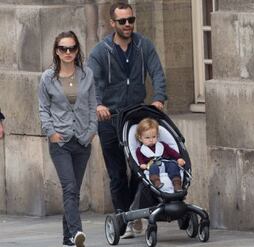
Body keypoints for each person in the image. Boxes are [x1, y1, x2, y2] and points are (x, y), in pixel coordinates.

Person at [87, 1, 167, 239]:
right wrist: (98, 104)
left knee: (140, 167)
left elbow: (157, 72)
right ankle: (122, 216)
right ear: (113, 23)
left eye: (131, 20)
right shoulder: (101, 51)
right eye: (122, 21)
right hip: (109, 117)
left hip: (136, 116)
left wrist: (159, 99)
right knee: (117, 173)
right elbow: (91, 82)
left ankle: (134, 212)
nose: (128, 25)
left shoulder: (143, 45)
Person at [38, 31, 97, 247]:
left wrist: (91, 132)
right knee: (69, 188)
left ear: (77, 50)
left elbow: (92, 105)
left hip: (83, 140)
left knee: (74, 191)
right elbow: (43, 109)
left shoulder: (87, 74)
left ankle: (68, 239)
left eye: (72, 48)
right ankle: (77, 232)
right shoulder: (47, 78)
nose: (68, 52)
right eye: (63, 48)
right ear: (57, 51)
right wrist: (51, 133)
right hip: (60, 142)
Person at [135, 118, 185, 191]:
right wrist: (142, 164)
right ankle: (156, 182)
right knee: (153, 167)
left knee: (173, 165)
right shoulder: (140, 150)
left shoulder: (162, 145)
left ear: (157, 136)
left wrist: (178, 158)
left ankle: (177, 183)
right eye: (147, 138)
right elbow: (140, 160)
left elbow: (172, 152)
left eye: (154, 137)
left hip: (165, 163)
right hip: (152, 166)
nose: (151, 140)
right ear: (140, 138)